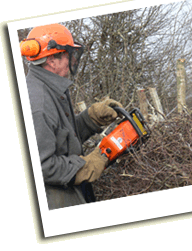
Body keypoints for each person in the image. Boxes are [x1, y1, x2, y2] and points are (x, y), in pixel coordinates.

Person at [20, 23, 122, 210]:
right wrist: (85, 167)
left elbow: (59, 138)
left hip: (71, 191)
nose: (72, 60)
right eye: (68, 55)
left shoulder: (52, 86)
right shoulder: (38, 105)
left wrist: (90, 119)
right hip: (56, 202)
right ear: (52, 60)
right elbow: (42, 166)